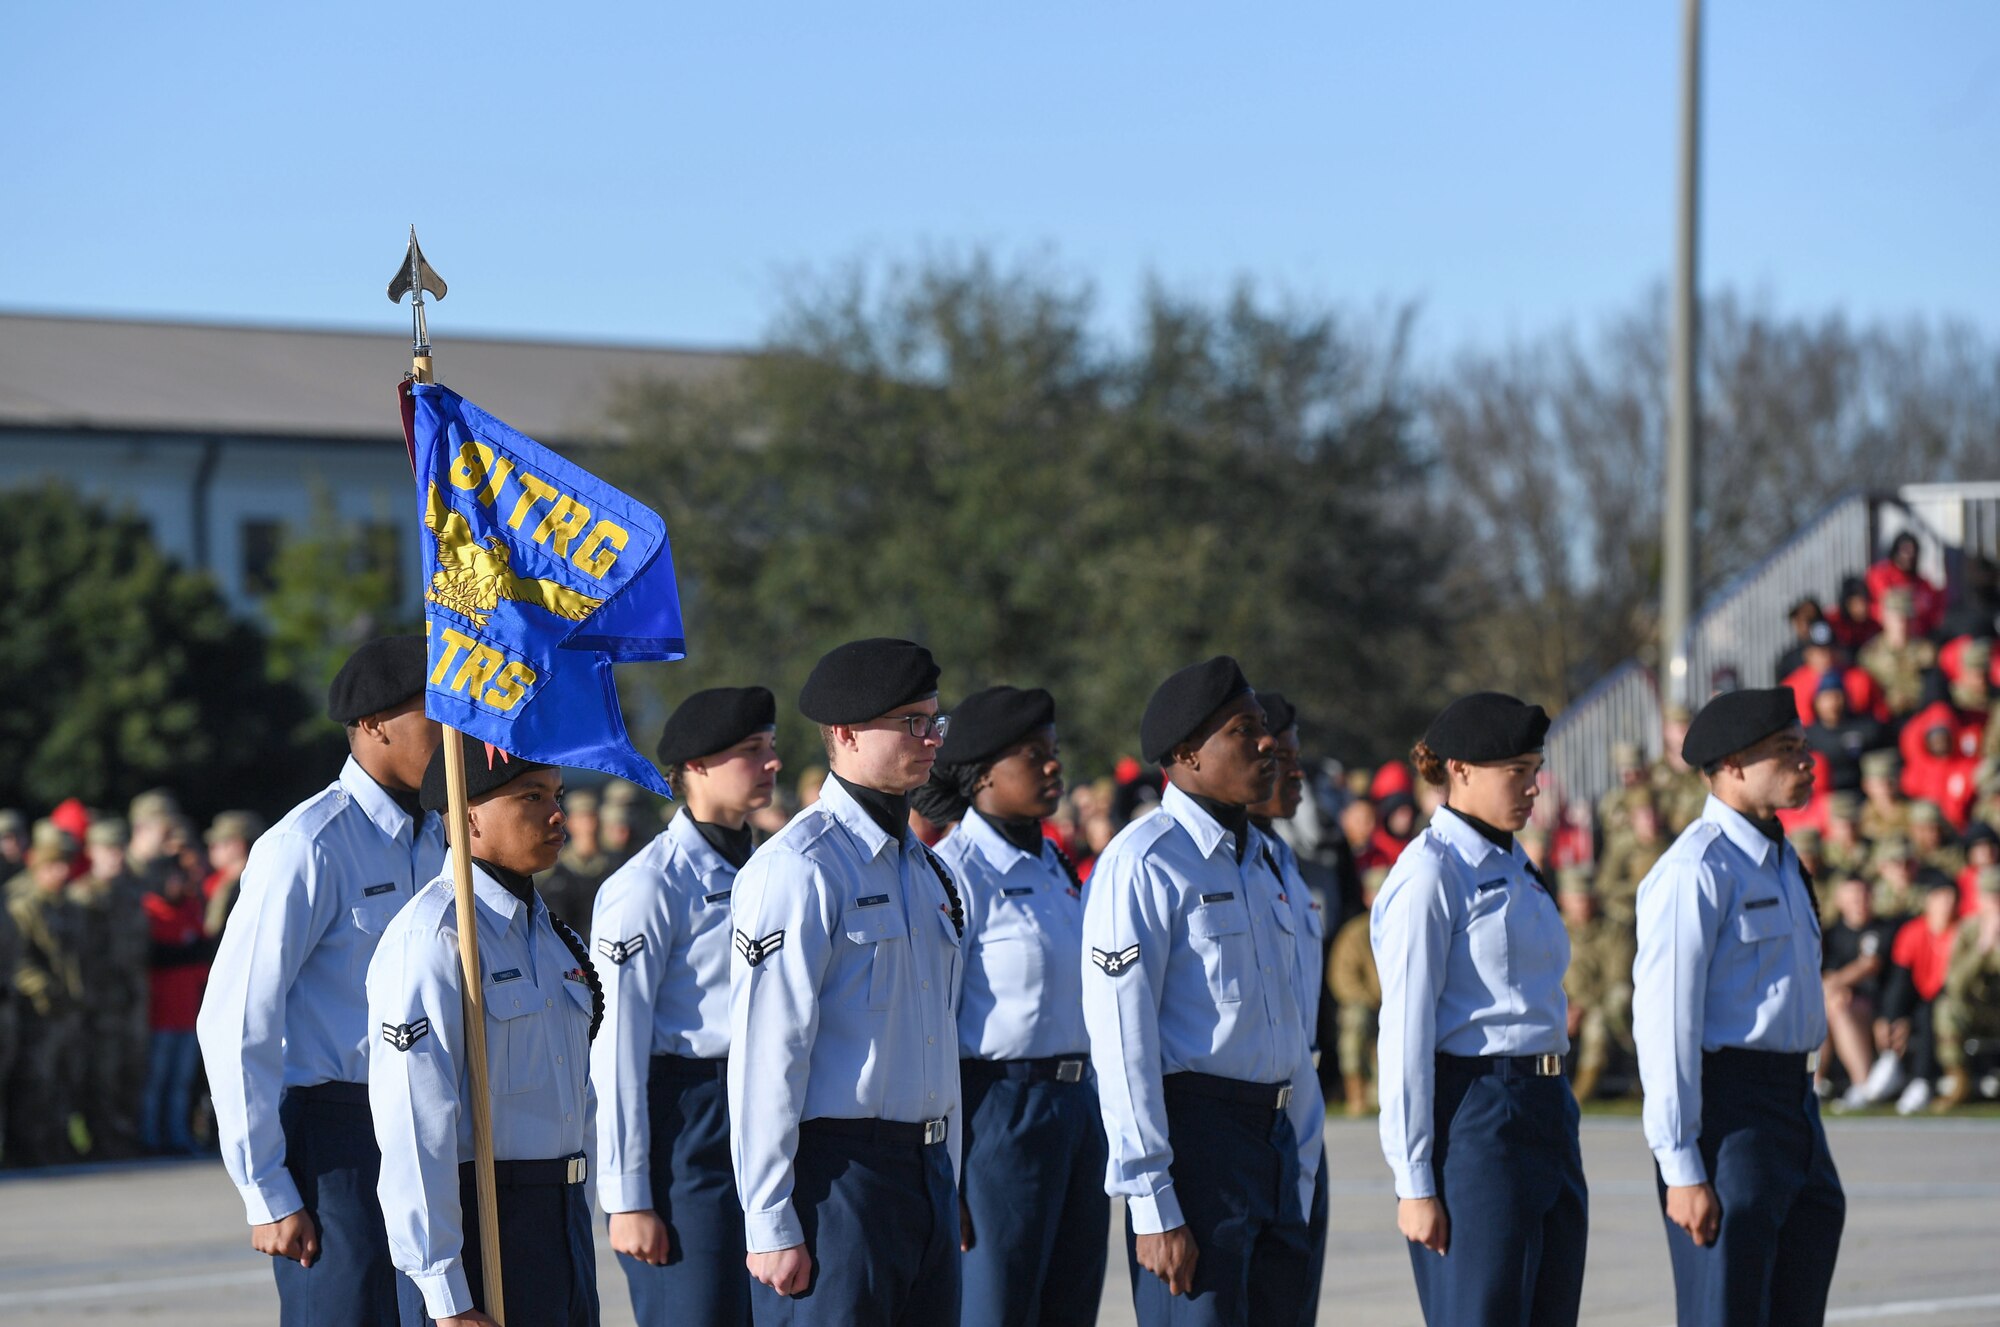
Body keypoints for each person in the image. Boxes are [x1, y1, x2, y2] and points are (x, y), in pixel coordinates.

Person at [196, 636, 444, 1327]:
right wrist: (266, 1187)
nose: (453, 730)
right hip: (339, 1137)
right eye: (435, 712)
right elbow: (235, 1017)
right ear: (374, 724)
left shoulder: (443, 837)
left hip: (433, 1123)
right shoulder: (308, 845)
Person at [728, 639, 966, 1325]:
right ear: (846, 732)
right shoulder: (801, 868)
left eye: (934, 720)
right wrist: (771, 1216)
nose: (930, 739)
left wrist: (948, 1172)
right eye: (911, 722)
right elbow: (768, 1053)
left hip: (924, 1170)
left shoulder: (924, 869)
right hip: (838, 1178)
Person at [1083, 657, 1321, 1327]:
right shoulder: (1145, 862)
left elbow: (1289, 1031)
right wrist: (1153, 1202)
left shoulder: (1262, 861)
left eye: (1263, 728)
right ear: (1187, 754)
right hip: (1197, 1147)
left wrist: (1298, 1166)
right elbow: (1123, 1041)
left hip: (1271, 1144)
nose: (1266, 744)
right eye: (1244, 730)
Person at [368, 733, 602, 1327]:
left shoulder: (550, 935)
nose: (558, 814)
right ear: (468, 817)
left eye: (557, 793)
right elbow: (415, 1126)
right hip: (485, 1227)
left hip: (562, 1221)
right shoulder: (432, 938)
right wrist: (444, 1293)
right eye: (531, 796)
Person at [1633, 687, 1844, 1327]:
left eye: (1804, 748)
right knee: (1724, 1311)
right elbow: (1665, 1025)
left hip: (1795, 1107)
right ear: (1731, 765)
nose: (1806, 763)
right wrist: (1680, 1168)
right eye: (1786, 751)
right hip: (1731, 1115)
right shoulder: (1695, 871)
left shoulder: (1780, 859)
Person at [1373, 692, 1583, 1327]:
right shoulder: (1432, 875)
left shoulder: (1515, 863)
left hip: (1547, 1107)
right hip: (1479, 1114)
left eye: (1534, 770)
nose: (1532, 788)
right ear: (1459, 770)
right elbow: (1404, 1033)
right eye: (1515, 772)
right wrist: (1414, 1180)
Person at [592, 686, 783, 1327]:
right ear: (696, 766)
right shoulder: (648, 885)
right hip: (688, 1124)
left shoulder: (773, 870)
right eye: (751, 751)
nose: (772, 764)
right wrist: (628, 1197)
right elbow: (616, 1048)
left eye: (772, 748)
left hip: (770, 1110)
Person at [925, 685, 1109, 1327]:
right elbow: (934, 1025)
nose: (1054, 765)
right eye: (1033, 755)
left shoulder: (1056, 861)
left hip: (1075, 1107)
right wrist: (948, 1168)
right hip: (997, 1113)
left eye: (1053, 751)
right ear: (981, 774)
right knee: (996, 1307)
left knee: (1070, 1303)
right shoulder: (953, 872)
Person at [1245, 690, 1331, 1325]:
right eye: (1282, 756)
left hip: (1300, 1114)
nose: (1294, 772)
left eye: (1298, 758)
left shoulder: (1282, 861)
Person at [71, 816, 152, 1158]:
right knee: (100, 1075)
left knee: (130, 1072)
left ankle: (123, 1138)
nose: (115, 857)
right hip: (96, 1003)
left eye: (119, 849)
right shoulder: (81, 898)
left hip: (129, 999)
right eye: (107, 850)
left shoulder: (131, 894)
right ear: (92, 852)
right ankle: (102, 1143)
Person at [6, 830, 84, 1165]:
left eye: (64, 865)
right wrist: (44, 988)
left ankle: (55, 1144)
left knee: (63, 1081)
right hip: (38, 1013)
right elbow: (17, 959)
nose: (61, 873)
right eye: (53, 866)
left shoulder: (69, 906)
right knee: (35, 1083)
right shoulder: (23, 905)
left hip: (67, 1012)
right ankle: (28, 1151)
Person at [141, 847, 211, 1153]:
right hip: (160, 1014)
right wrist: (183, 952)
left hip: (187, 1013)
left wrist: (180, 953)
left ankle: (178, 1136)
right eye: (172, 878)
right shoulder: (151, 910)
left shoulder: (191, 909)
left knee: (181, 1085)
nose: (177, 884)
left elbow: (201, 955)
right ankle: (150, 1137)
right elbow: (156, 956)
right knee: (155, 1082)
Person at [1879, 877, 1961, 1114]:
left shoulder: (1961, 931)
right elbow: (1901, 980)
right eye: (1941, 897)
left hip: (1947, 998)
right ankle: (1889, 1061)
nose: (1947, 903)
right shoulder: (1913, 931)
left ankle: (1922, 1080)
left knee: (1930, 1012)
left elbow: (1951, 982)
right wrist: (1891, 1016)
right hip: (1919, 996)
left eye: (1952, 898)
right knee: (1898, 1005)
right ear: (1928, 901)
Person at [1818, 876, 1896, 1110]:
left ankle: (1862, 1083)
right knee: (1829, 1005)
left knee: (1835, 1005)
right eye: (1852, 898)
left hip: (1875, 1005)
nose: (1859, 903)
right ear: (1840, 902)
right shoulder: (1831, 934)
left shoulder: (1881, 930)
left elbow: (1869, 964)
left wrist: (1833, 984)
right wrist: (1834, 988)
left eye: (1863, 896)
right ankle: (1815, 1082)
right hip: (1838, 1002)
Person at [1933, 866, 2000, 1110]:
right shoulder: (1968, 930)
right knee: (1946, 1008)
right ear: (1980, 899)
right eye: (1991, 897)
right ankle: (1959, 1079)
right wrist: (1982, 949)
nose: (1996, 903)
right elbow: (1954, 984)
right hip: (1977, 1008)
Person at [1328, 867, 1385, 1117]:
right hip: (1365, 1004)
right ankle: (1356, 1094)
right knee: (1356, 1020)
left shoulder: (1405, 927)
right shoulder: (1354, 933)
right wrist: (1371, 999)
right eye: (1376, 891)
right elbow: (1343, 978)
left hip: (1395, 1005)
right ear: (1367, 896)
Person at [542, 789, 614, 936]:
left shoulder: (614, 864)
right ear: (570, 822)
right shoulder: (554, 868)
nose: (588, 823)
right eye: (581, 816)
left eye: (592, 815)